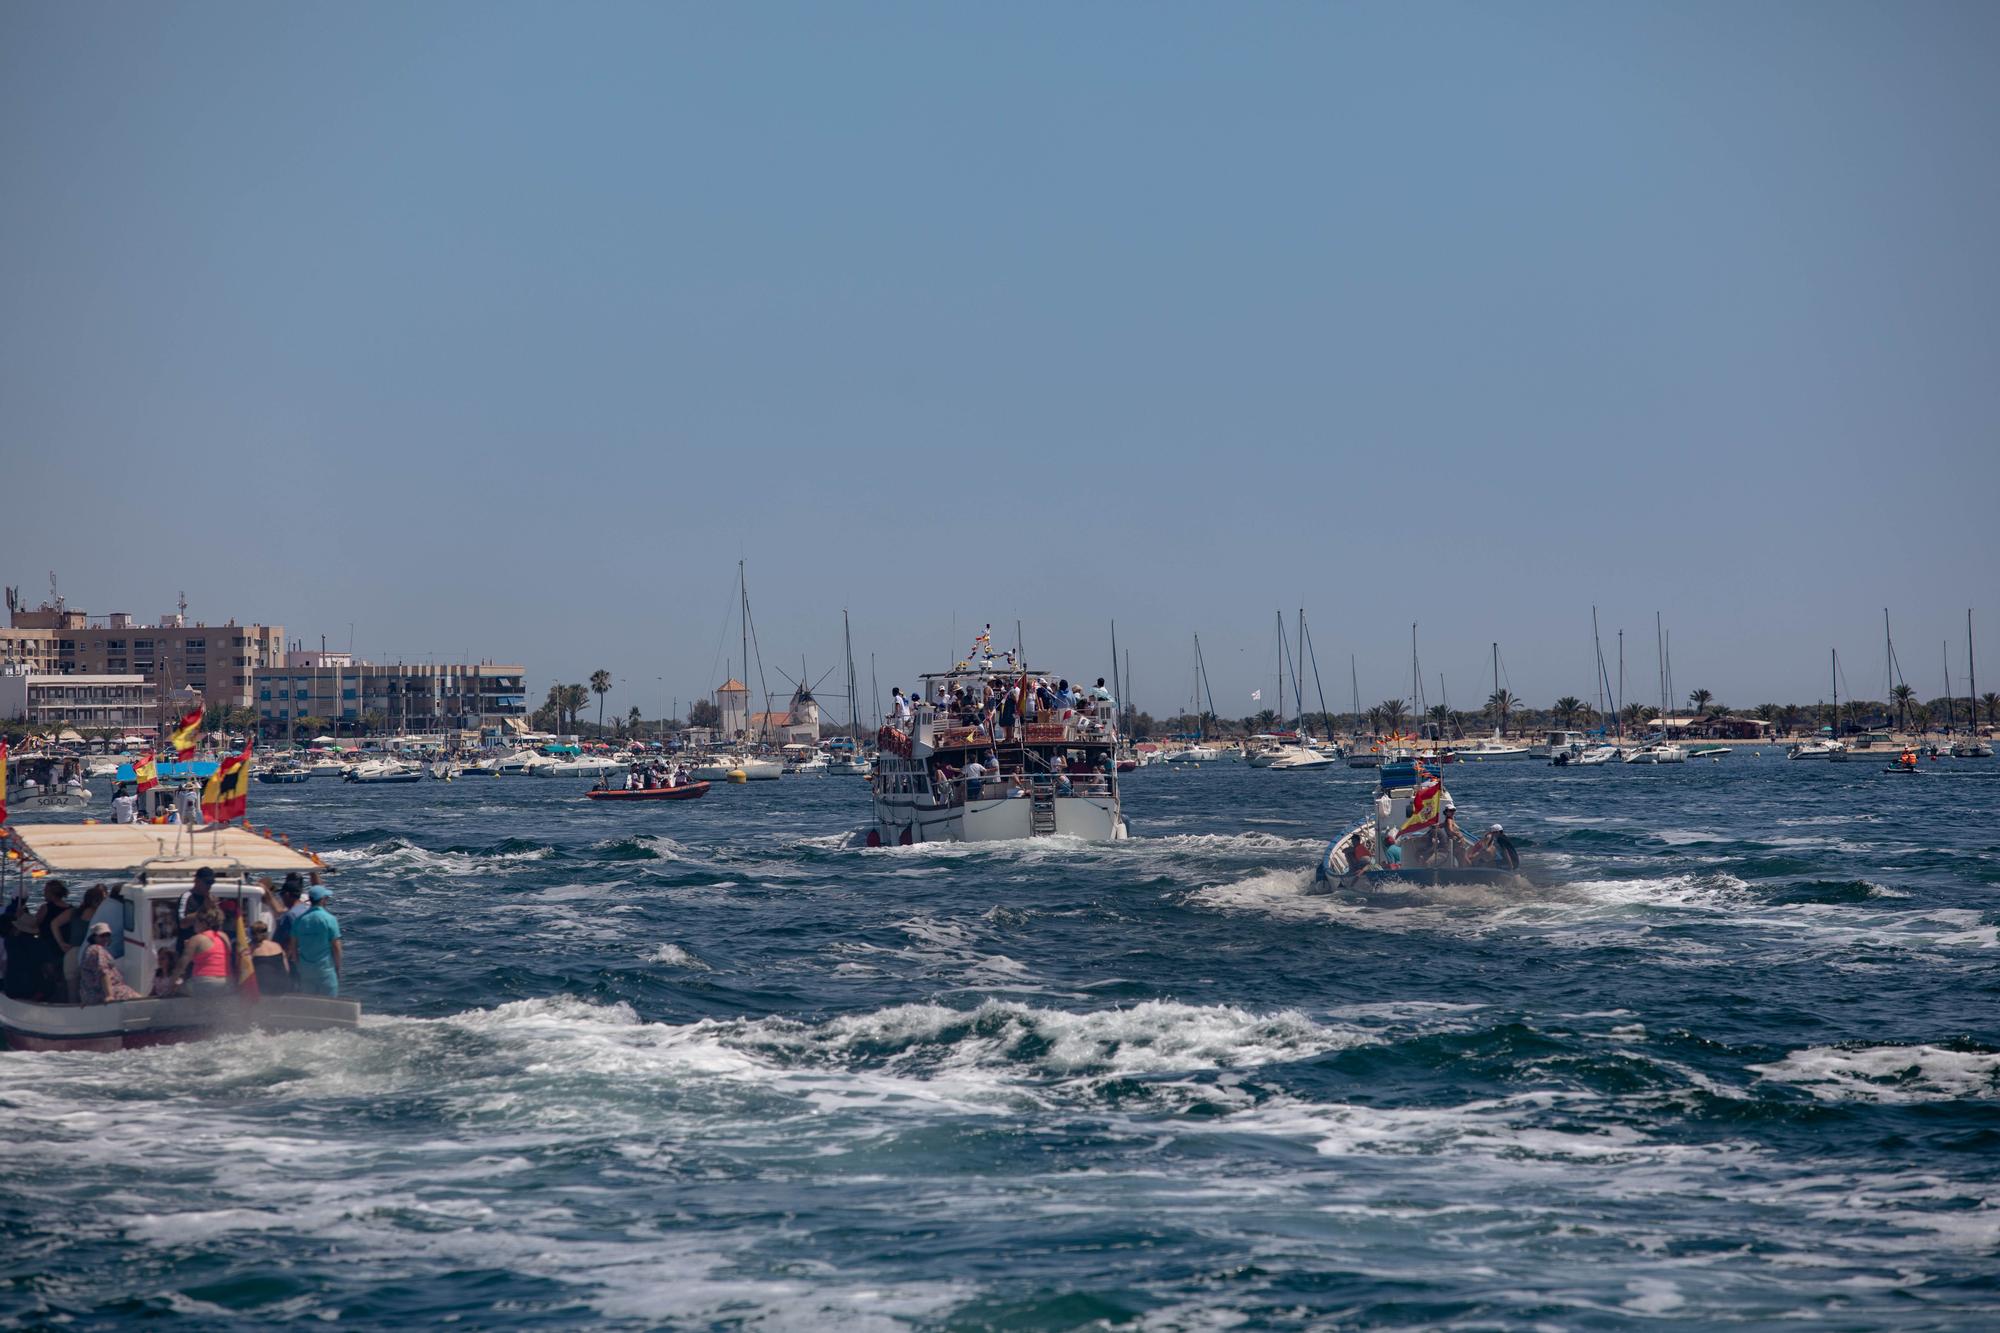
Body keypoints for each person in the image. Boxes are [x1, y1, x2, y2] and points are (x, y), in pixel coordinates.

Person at [291, 886, 343, 997]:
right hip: (325, 969)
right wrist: (338, 967)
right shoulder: (329, 919)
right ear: (323, 899)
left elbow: (293, 946)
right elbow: (336, 947)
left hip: (305, 970)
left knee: (310, 1005)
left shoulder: (299, 920)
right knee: (330, 1004)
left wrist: (298, 965)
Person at [79, 922, 142, 1004]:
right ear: (94, 937)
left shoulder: (89, 949)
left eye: (107, 935)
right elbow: (103, 972)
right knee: (140, 1000)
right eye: (102, 936)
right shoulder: (97, 949)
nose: (106, 938)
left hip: (92, 994)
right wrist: (109, 995)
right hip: (105, 992)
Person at [175, 908, 233, 996]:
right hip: (226, 981)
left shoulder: (197, 939)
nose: (194, 925)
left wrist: (171, 984)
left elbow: (181, 965)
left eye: (196, 921)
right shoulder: (224, 937)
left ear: (203, 923)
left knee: (178, 989)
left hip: (204, 982)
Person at [249, 920, 291, 995]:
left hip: (262, 988)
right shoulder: (278, 946)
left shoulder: (251, 950)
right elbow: (286, 968)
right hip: (281, 986)